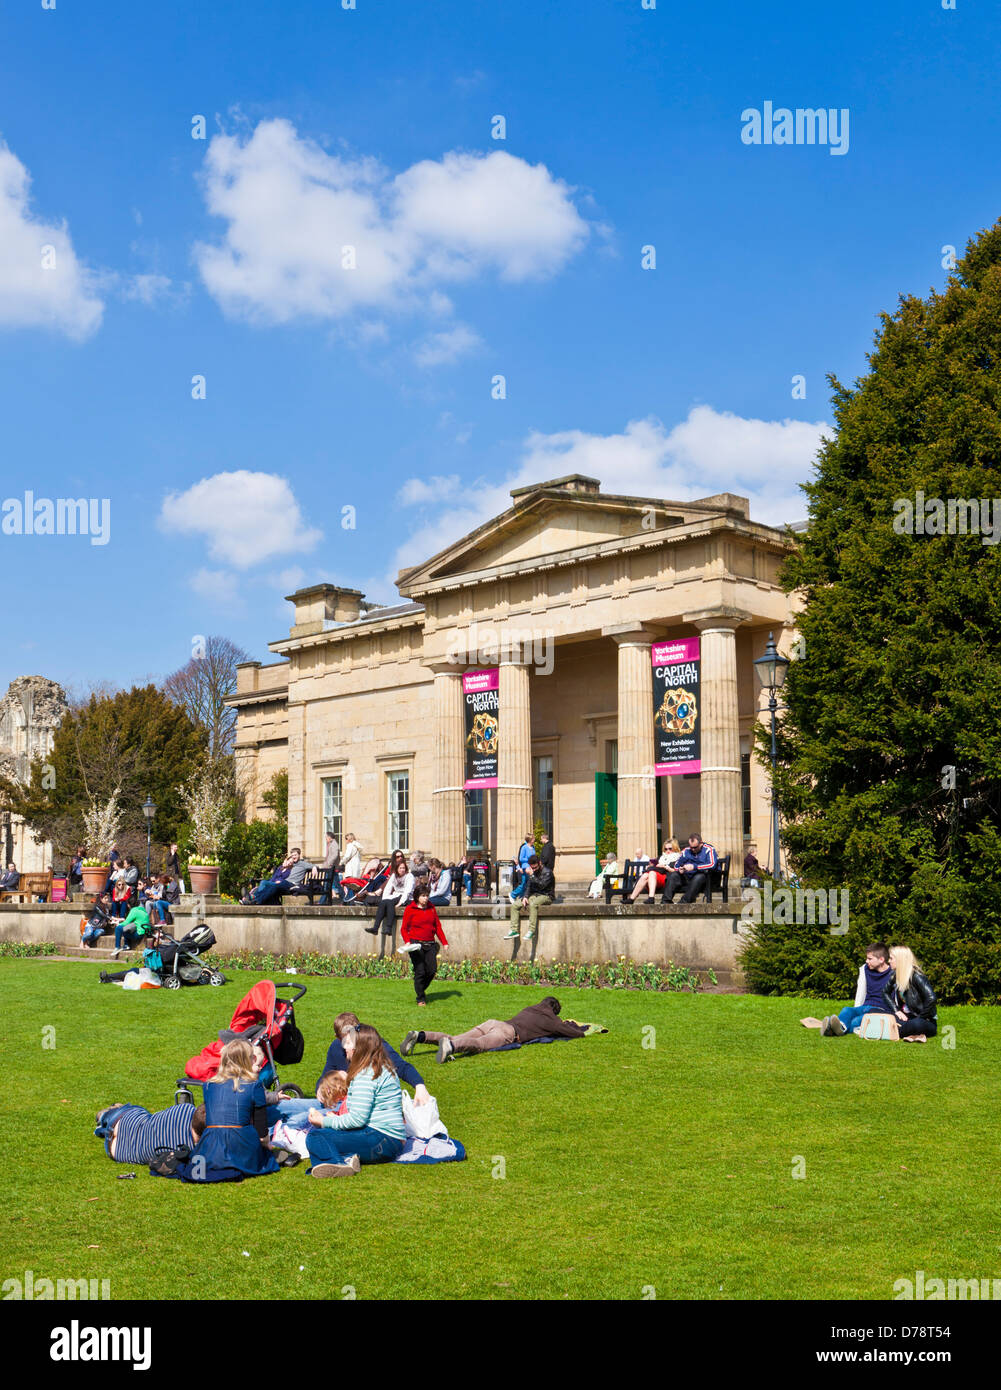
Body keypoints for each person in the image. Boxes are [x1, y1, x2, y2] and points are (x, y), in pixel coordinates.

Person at [305, 1023, 406, 1177]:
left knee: (315, 1136)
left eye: (348, 1043)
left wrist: (323, 1121)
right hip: (390, 1141)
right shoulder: (381, 1067)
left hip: (381, 1141)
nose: (344, 1047)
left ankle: (338, 1164)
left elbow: (357, 1119)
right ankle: (348, 1158)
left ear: (359, 1048)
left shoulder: (366, 1074)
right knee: (330, 1132)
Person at [403, 994, 588, 1063]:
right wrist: (579, 1029)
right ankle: (451, 1047)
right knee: (479, 1044)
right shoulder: (551, 1020)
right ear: (555, 1010)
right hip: (508, 1033)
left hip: (494, 1023)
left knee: (456, 1035)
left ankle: (420, 1036)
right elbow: (575, 1033)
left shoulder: (530, 1008)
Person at [189, 1039, 279, 1178]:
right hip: (241, 1142)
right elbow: (262, 1134)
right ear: (246, 1060)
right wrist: (267, 1148)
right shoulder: (254, 1086)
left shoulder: (208, 1086)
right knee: (265, 1155)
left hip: (211, 1146)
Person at [95, 1101, 206, 1163]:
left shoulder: (185, 1109)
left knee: (141, 1116)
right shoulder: (189, 1152)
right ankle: (101, 1129)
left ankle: (104, 1117)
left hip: (123, 1121)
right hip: (116, 1152)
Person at [820, 944, 893, 1036]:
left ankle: (832, 1029)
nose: (867, 961)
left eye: (870, 959)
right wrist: (856, 1008)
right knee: (847, 1010)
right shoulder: (865, 969)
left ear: (881, 959)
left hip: (880, 1010)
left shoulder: (893, 973)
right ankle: (838, 1027)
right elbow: (860, 991)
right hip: (865, 1006)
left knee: (856, 1021)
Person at [400, 884, 449, 1006]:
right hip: (416, 944)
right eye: (423, 896)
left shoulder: (431, 908)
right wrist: (407, 941)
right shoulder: (410, 909)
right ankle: (420, 998)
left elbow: (437, 926)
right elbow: (404, 929)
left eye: (427, 895)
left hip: (430, 944)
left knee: (432, 970)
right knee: (420, 971)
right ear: (417, 897)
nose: (426, 898)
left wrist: (444, 942)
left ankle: (420, 988)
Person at [882, 945, 938, 1040]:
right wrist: (897, 1010)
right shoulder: (896, 975)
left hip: (924, 1021)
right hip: (907, 1018)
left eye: (891, 958)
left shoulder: (916, 976)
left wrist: (921, 1017)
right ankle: (915, 1035)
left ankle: (892, 1032)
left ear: (900, 960)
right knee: (876, 1011)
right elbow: (885, 992)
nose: (888, 961)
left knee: (916, 1024)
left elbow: (931, 998)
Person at [503, 853, 554, 942]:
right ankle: (514, 930)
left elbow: (542, 885)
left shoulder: (548, 872)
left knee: (533, 904)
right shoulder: (532, 872)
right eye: (532, 868)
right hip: (534, 895)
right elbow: (528, 886)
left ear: (540, 863)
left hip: (547, 895)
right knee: (515, 905)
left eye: (535, 867)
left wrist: (532, 875)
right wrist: (526, 896)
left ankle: (531, 931)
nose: (533, 869)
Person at [364, 851, 413, 938]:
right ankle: (375, 928)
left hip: (406, 897)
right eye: (400, 868)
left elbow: (407, 891)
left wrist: (400, 903)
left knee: (390, 902)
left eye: (403, 868)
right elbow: (387, 889)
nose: (402, 870)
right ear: (397, 869)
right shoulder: (394, 876)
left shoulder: (409, 876)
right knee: (384, 902)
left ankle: (389, 928)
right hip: (395, 895)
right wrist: (384, 899)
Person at [661, 834, 718, 903]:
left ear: (701, 843)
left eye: (695, 847)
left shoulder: (709, 849)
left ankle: (683, 902)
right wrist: (680, 869)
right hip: (688, 877)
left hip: (705, 878)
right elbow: (676, 865)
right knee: (674, 875)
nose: (693, 849)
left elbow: (712, 864)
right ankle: (665, 901)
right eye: (691, 847)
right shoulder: (686, 851)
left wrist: (694, 867)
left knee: (699, 877)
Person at [317, 831, 345, 904]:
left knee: (329, 884)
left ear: (329, 837)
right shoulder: (330, 844)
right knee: (332, 884)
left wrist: (329, 864)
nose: (325, 838)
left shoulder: (334, 844)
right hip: (330, 868)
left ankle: (322, 901)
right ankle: (322, 901)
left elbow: (334, 856)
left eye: (326, 837)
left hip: (331, 868)